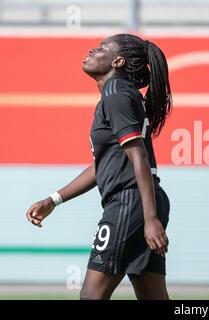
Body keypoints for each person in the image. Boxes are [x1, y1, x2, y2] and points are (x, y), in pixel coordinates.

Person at [25, 34, 172, 300]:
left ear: (117, 61)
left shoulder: (116, 94)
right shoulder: (119, 95)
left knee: (91, 295)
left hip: (131, 202)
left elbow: (138, 156)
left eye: (103, 48)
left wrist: (150, 219)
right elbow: (102, 165)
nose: (93, 49)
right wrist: (54, 199)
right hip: (144, 201)